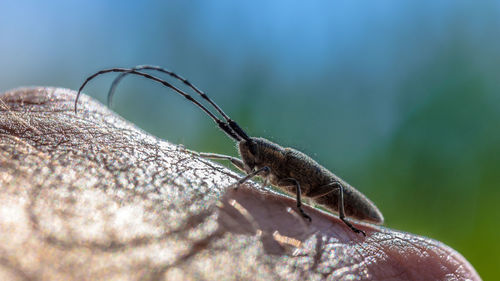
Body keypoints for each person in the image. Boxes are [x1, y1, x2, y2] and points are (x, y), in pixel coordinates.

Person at [0, 87, 480, 281]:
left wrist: (307, 213)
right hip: (330, 205)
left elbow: (295, 190)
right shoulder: (263, 161)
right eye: (244, 152)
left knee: (323, 200)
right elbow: (242, 171)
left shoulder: (289, 170)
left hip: (349, 206)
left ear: (266, 155)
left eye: (251, 151)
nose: (244, 155)